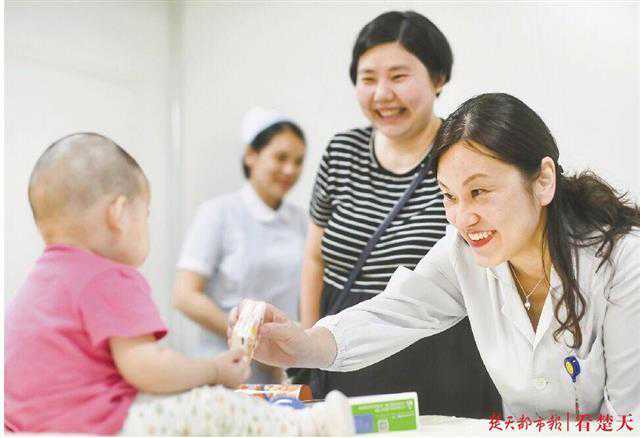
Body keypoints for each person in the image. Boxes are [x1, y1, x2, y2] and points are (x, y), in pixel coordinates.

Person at [229, 93, 640, 419]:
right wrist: (302, 345)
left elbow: (629, 416)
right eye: (449, 196)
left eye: (479, 191)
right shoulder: (464, 252)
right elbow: (395, 311)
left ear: (544, 180)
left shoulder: (622, 261)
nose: (463, 217)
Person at [4, 132, 354, 435]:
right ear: (119, 214)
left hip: (27, 426)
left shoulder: (36, 283)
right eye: (146, 214)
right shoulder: (110, 276)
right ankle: (309, 427)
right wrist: (213, 371)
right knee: (214, 406)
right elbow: (146, 368)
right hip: (100, 425)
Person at [300, 10, 500, 417]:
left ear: (438, 78)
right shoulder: (341, 153)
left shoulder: (463, 155)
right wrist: (306, 350)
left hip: (440, 361)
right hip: (344, 357)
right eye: (368, 78)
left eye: (398, 76)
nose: (382, 94)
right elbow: (314, 257)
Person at [173, 107, 307, 384]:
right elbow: (184, 296)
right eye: (281, 157)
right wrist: (250, 341)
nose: (290, 170)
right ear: (251, 155)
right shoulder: (218, 213)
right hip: (222, 369)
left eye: (298, 161)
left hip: (279, 374)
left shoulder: (301, 221)